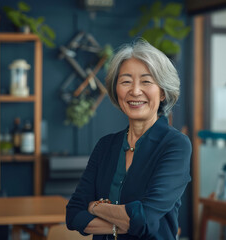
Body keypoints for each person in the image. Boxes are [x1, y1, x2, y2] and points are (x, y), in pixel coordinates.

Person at [66, 39, 192, 240]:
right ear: (117, 90)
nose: (135, 91)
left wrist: (95, 206)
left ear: (162, 92)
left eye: (146, 81)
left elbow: (145, 218)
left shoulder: (175, 145)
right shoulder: (105, 146)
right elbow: (73, 214)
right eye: (126, 81)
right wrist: (119, 225)